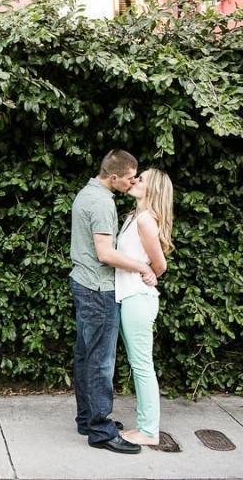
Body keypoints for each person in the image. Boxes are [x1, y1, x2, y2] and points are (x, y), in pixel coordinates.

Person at [69, 149, 157, 454]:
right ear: (114, 176)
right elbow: (105, 254)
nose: (132, 183)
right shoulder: (103, 202)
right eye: (130, 178)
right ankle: (101, 431)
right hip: (98, 289)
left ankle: (87, 419)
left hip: (83, 283)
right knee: (100, 363)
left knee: (85, 357)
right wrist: (143, 266)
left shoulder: (86, 192)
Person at [116, 168, 174, 446]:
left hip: (138, 299)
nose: (136, 179)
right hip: (129, 297)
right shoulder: (134, 216)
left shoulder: (145, 221)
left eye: (143, 179)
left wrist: (151, 273)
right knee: (138, 364)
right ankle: (144, 426)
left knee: (142, 365)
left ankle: (148, 430)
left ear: (153, 189)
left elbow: (160, 264)